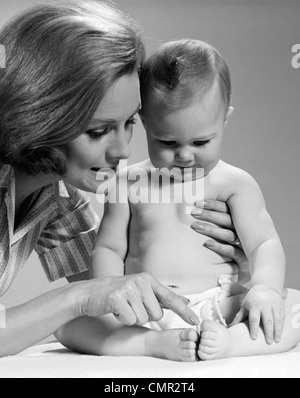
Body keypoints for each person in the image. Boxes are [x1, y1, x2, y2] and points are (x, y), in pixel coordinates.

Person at [0, 1, 245, 357]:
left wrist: (229, 263)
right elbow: (87, 297)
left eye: (129, 122)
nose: (124, 151)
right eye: (99, 131)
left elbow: (111, 295)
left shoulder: (59, 199)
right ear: (37, 115)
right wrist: (77, 298)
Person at [87, 39, 300, 362]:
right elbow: (109, 248)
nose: (185, 155)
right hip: (149, 308)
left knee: (294, 307)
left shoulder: (234, 183)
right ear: (145, 122)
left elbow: (263, 243)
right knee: (71, 321)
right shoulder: (127, 183)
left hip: (221, 304)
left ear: (225, 120)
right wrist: (110, 292)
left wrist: (264, 288)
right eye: (167, 141)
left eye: (201, 141)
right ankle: (152, 344)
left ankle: (231, 343)